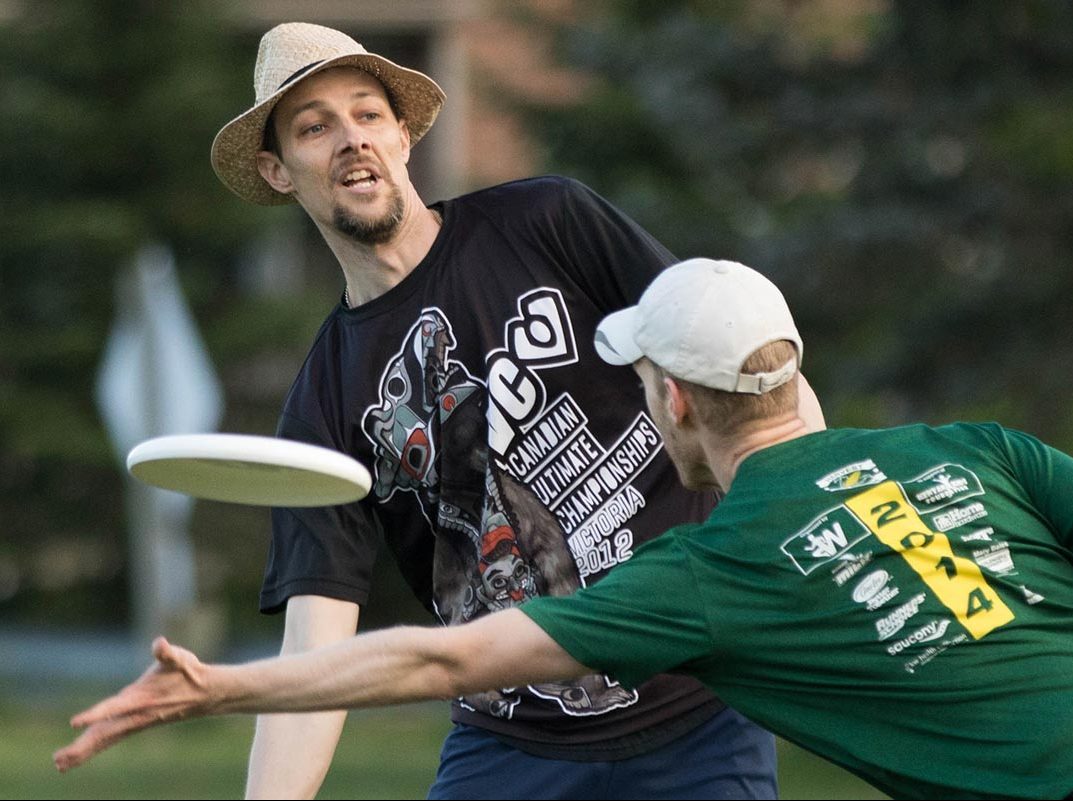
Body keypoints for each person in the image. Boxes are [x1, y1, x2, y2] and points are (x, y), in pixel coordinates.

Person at [54, 258, 1073, 799]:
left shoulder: (709, 575)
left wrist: (220, 687)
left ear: (671, 402)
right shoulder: (976, 449)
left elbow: (439, 661)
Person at [196, 21, 812, 800]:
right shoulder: (325, 402)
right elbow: (314, 636)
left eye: (367, 114)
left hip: (695, 714)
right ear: (279, 171)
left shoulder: (548, 222)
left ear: (403, 137)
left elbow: (749, 366)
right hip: (511, 747)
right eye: (315, 128)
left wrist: (820, 517)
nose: (351, 139)